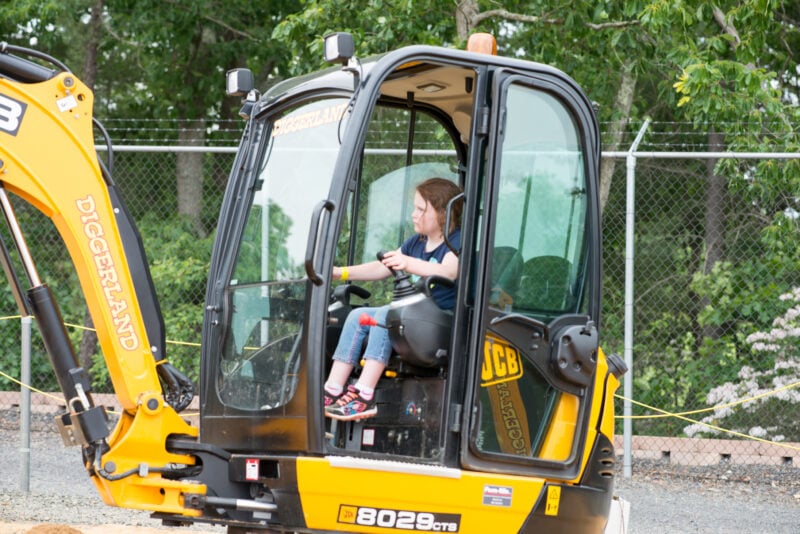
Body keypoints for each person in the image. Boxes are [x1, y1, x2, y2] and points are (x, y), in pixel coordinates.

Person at [325, 177, 463, 421]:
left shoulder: (456, 241)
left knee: (385, 316)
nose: (413, 215)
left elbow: (449, 272)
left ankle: (364, 394)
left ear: (444, 213)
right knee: (357, 316)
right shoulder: (416, 242)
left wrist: (408, 263)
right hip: (416, 318)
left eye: (421, 209)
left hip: (440, 323)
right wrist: (340, 272)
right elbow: (381, 268)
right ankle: (332, 389)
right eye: (415, 208)